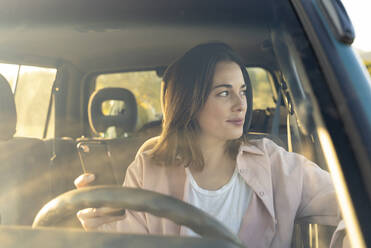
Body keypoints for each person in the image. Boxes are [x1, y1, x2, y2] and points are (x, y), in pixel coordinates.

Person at [75, 42, 346, 247]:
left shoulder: (274, 162)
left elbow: (354, 206)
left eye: (242, 91)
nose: (241, 105)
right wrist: (100, 225)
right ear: (190, 102)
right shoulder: (148, 166)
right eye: (224, 93)